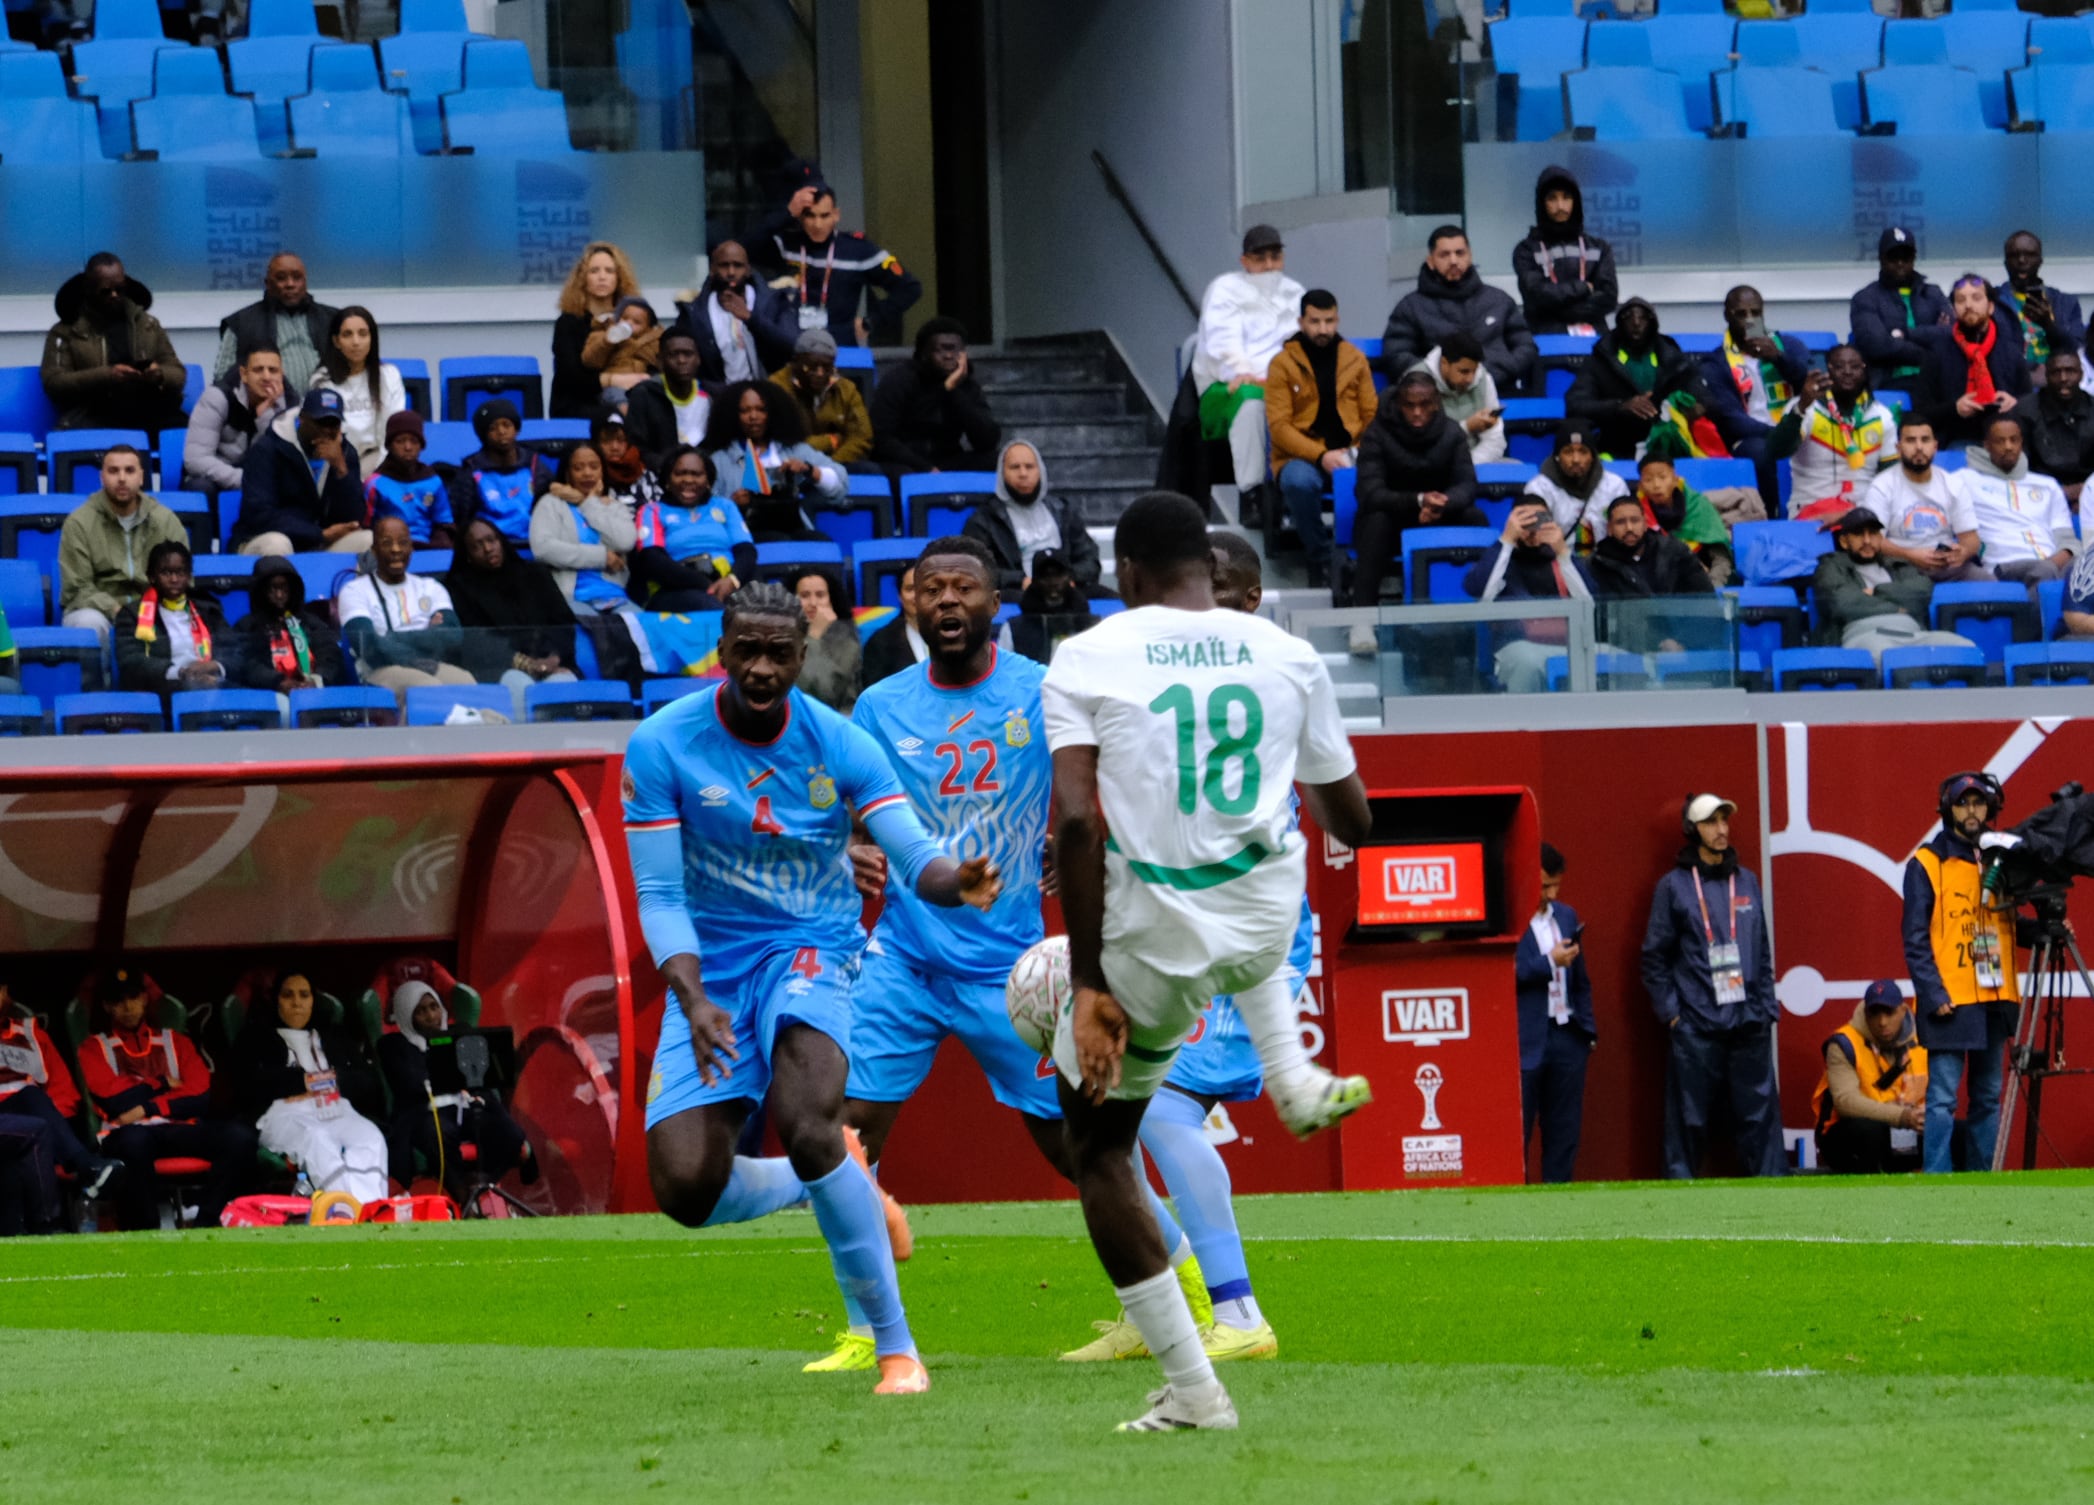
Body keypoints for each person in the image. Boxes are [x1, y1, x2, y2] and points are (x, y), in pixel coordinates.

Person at [1042, 490, 1371, 1430]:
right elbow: (1353, 818)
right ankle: (1292, 1075)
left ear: (1128, 575)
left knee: (1100, 1147)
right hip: (1268, 921)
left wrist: (1092, 984)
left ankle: (1196, 1390)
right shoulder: (1290, 651)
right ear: (1208, 565)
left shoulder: (1088, 652)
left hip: (1155, 941)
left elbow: (1074, 821)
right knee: (1252, 891)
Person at [625, 580, 1003, 1396]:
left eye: (779, 652)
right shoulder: (661, 744)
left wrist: (953, 878)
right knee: (686, 1187)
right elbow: (659, 896)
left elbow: (911, 851)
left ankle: (897, 1348)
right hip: (711, 969)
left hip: (813, 949)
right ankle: (832, 1176)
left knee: (806, 1119)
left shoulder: (840, 743)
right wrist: (692, 1000)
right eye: (746, 650)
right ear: (721, 651)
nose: (761, 668)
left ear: (803, 654)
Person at [1063, 531, 1296, 1363]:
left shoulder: (1262, 675)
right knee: (1092, 1119)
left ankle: (1237, 1312)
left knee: (1158, 1108)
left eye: (1226, 592)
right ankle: (1156, 1293)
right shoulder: (1167, 675)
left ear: (1249, 599)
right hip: (1167, 928)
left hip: (1232, 938)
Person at [1640, 794, 1784, 1181]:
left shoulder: (1748, 880)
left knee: (1760, 1118)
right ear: (1693, 830)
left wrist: (1766, 1009)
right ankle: (1679, 1196)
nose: (1722, 830)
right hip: (1696, 1027)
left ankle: (1776, 1197)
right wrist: (1672, 1015)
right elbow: (1654, 957)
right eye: (1711, 822)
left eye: (1724, 820)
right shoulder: (1673, 887)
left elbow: (1763, 950)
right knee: (1688, 1120)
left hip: (1749, 1022)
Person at [78, 962, 257, 1231]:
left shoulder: (175, 1041)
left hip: (177, 1128)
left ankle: (206, 1224)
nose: (128, 1007)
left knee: (240, 1138)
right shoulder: (94, 1047)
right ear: (107, 1006)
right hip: (127, 1132)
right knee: (134, 1144)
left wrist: (146, 1107)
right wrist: (161, 1083)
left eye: (134, 998)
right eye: (118, 1000)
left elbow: (199, 1097)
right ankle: (147, 1232)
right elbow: (114, 1101)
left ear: (145, 998)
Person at [1904, 772, 2021, 1175]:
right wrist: (1933, 994)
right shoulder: (1927, 862)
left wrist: (2046, 930)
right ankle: (1938, 1179)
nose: (1972, 811)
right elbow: (1914, 938)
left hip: (1995, 995)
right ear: (1947, 809)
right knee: (1942, 1099)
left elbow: (2010, 924)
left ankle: (1983, 1178)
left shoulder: (2000, 857)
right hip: (1951, 1001)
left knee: (1988, 1096)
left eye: (1978, 803)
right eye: (1962, 803)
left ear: (1989, 808)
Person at [229, 966, 389, 1206]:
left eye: (304, 995)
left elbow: (368, 1083)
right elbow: (247, 1086)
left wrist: (332, 1080)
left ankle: (373, 1208)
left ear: (314, 1000)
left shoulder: (333, 1036)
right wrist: (300, 1082)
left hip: (336, 1108)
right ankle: (347, 1211)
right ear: (276, 1000)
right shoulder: (255, 1037)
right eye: (288, 995)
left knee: (370, 1137)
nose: (297, 1003)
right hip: (283, 1115)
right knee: (318, 1140)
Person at [1349, 370, 1484, 639]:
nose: (1418, 412)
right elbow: (1369, 491)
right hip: (1392, 518)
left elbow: (1467, 485)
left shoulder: (1452, 432)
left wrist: (1443, 504)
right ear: (1399, 404)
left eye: (1424, 405)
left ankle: (1486, 616)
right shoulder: (1376, 433)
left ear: (1436, 403)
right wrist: (1418, 501)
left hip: (1438, 514)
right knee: (1376, 520)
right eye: (1410, 406)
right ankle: (1361, 620)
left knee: (1476, 519)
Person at [377, 981, 535, 1203]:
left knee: (508, 1134)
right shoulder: (393, 1045)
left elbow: (482, 1073)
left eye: (434, 1006)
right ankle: (461, 1196)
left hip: (466, 1107)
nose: (431, 1015)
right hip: (426, 1114)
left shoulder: (460, 1033)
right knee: (438, 1134)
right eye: (421, 1011)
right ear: (406, 1015)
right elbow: (409, 1083)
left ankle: (485, 1184)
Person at [1190, 225, 1306, 514]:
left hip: (1279, 381)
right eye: (1260, 258)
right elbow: (1222, 344)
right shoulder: (1224, 289)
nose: (1269, 266)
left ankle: (1297, 491)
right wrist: (1242, 372)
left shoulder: (1296, 293)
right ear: (1245, 261)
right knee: (1252, 402)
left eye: (1275, 257)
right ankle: (1254, 493)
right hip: (1225, 385)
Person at [1266, 289, 1379, 584]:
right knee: (1299, 482)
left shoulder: (1355, 359)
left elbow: (1372, 415)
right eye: (1315, 321)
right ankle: (1322, 558)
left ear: (1338, 319)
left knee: (1379, 478)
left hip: (1351, 449)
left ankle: (1363, 559)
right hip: (1301, 455)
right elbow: (1279, 427)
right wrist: (1320, 455)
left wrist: (1359, 450)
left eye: (1329, 321)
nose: (1323, 329)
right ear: (1301, 321)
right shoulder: (1282, 364)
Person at [531, 442, 655, 684]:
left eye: (593, 467)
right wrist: (601, 557)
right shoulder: (551, 503)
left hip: (615, 596)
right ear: (567, 472)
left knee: (646, 629)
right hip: (570, 597)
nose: (587, 473)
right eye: (579, 468)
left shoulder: (611, 506)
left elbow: (625, 540)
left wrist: (589, 504)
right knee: (593, 634)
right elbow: (543, 548)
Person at [0, 981, 121, 1204]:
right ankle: (86, 1165)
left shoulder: (31, 1033)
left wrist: (54, 1127)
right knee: (31, 1102)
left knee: (34, 1107)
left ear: (6, 993)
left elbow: (63, 1091)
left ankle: (49, 1227)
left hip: (31, 1120)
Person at [1380, 225, 1536, 394]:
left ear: (1470, 256)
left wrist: (1494, 372)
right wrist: (1440, 377)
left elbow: (1525, 346)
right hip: (1438, 402)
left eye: (1460, 253)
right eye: (1444, 254)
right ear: (1430, 261)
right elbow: (1397, 355)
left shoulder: (1499, 300)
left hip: (1500, 391)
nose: (1453, 260)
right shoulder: (1411, 307)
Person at [1466, 498, 1602, 692]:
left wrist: (1563, 552)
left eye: (1539, 518)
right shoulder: (1501, 560)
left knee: (1619, 659)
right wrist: (1507, 539)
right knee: (1528, 662)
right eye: (1524, 518)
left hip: (1570, 644)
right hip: (1517, 644)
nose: (1532, 525)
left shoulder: (1561, 559)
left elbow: (1589, 604)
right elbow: (1482, 592)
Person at [1516, 843, 1593, 1184]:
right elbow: (1503, 972)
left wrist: (1586, 1032)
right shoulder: (1508, 918)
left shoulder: (1566, 915)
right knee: (1517, 1132)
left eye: (1556, 885)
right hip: (1525, 1039)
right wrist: (1548, 962)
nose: (1552, 893)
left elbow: (1582, 979)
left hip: (1567, 1035)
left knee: (1564, 1131)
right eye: (1545, 885)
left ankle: (1559, 1203)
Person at [40, 253, 186, 433]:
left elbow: (178, 373)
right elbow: (55, 382)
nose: (114, 295)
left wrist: (159, 374)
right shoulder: (66, 331)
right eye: (105, 291)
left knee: (190, 436)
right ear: (88, 289)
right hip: (92, 412)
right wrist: (107, 376)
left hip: (147, 408)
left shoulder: (147, 325)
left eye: (120, 289)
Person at [57, 446, 189, 645]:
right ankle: (100, 677)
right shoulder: (79, 522)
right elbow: (77, 589)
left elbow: (182, 577)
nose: (121, 478)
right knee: (88, 622)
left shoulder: (165, 520)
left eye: (129, 470)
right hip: (99, 610)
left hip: (154, 606)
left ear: (142, 477)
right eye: (113, 471)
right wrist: (119, 610)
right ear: (102, 477)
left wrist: (149, 609)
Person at [338, 517, 476, 703]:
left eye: (403, 543)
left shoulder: (431, 587)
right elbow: (370, 647)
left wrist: (389, 638)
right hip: (379, 671)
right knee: (427, 689)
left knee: (468, 685)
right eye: (387, 543)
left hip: (430, 665)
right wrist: (428, 635)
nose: (396, 550)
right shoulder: (354, 591)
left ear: (411, 548)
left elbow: (452, 638)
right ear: (374, 551)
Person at [1701, 286, 1815, 506]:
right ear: (1727, 316)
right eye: (1741, 314)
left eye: (1755, 313)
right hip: (1753, 437)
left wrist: (1779, 358)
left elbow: (1810, 385)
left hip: (1799, 425)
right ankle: (1770, 515)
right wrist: (1778, 435)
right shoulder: (1716, 362)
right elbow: (1731, 418)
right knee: (1761, 451)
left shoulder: (1789, 345)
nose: (1749, 320)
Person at [1812, 506, 1974, 662]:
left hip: (1913, 634)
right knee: (1883, 658)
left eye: (1873, 533)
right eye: (1859, 534)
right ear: (1844, 541)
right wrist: (1898, 607)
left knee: (1965, 650)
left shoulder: (1898, 564)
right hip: (1866, 635)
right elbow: (1841, 603)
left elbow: (1921, 591)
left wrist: (1876, 591)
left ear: (1881, 538)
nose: (1867, 540)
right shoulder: (1830, 566)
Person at [769, 185, 923, 347]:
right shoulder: (785, 244)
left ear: (836, 215)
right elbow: (744, 247)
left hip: (840, 347)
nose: (818, 224)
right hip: (789, 344)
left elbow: (910, 288)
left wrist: (871, 321)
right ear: (800, 217)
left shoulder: (858, 249)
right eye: (810, 216)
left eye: (825, 216)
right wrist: (786, 213)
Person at [445, 516, 579, 697]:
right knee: (520, 686)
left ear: (500, 540)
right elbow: (476, 640)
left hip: (554, 663)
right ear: (467, 555)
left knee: (560, 685)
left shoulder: (536, 575)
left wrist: (553, 658)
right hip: (499, 668)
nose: (488, 548)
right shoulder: (459, 588)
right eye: (477, 546)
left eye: (491, 540)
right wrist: (527, 664)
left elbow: (564, 624)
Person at [232, 388, 371, 558]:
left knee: (368, 540)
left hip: (321, 542)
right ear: (302, 419)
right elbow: (259, 515)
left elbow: (355, 518)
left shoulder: (346, 454)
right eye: (320, 422)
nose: (327, 430)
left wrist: (341, 470)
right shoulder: (267, 450)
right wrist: (317, 534)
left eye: (333, 423)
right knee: (277, 544)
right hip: (261, 540)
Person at [1562, 297, 1701, 461]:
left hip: (1668, 446)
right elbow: (1576, 404)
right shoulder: (1600, 360)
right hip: (1617, 444)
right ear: (1619, 323)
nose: (1636, 323)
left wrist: (1697, 407)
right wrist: (1620, 406)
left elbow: (1704, 397)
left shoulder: (1673, 358)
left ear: (1653, 323)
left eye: (1643, 317)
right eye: (1629, 317)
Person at [1770, 344, 1897, 522]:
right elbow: (1776, 450)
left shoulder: (1880, 416)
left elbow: (1890, 477)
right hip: (1812, 510)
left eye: (1855, 367)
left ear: (1865, 371)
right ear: (1826, 371)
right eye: (1838, 366)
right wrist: (1801, 409)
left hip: (1865, 516)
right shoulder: (1805, 408)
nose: (1847, 372)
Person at [1811, 980, 1926, 1175]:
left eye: (1889, 1013)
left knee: (1955, 1132)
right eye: (1874, 1014)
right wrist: (1901, 1116)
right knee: (1868, 1130)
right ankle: (1867, 1193)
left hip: (1906, 1128)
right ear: (1865, 1014)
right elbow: (1846, 1102)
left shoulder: (1924, 1041)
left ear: (1903, 1011)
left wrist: (1924, 1115)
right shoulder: (1843, 1044)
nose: (1882, 1022)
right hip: (1849, 1135)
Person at [964, 438, 1099, 602]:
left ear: (1040, 470)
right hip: (1017, 594)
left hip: (1066, 591)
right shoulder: (983, 519)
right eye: (1015, 467)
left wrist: (1068, 578)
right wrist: (1020, 580)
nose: (1023, 473)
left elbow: (1090, 559)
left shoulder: (1063, 511)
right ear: (1002, 473)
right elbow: (976, 568)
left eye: (1029, 467)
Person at [707, 379, 843, 539]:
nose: (753, 416)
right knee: (777, 540)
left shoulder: (794, 450)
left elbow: (840, 485)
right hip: (743, 535)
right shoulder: (719, 460)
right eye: (745, 411)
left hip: (792, 527)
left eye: (761, 409)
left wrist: (810, 470)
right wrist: (732, 505)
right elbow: (706, 512)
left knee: (819, 541)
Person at [868, 317, 1003, 474]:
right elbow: (881, 438)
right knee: (895, 472)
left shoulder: (967, 386)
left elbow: (987, 441)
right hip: (906, 461)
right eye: (942, 350)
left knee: (999, 462)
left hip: (947, 459)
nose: (948, 356)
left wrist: (952, 391)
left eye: (955, 350)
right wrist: (925, 468)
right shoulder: (899, 380)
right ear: (923, 353)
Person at [1861, 413, 1984, 582]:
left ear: (1935, 446)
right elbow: (1874, 540)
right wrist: (1909, 555)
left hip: (1947, 567)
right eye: (1911, 440)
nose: (1919, 447)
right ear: (1898, 448)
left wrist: (1962, 552)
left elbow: (1971, 538)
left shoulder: (1953, 484)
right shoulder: (1882, 486)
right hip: (1900, 567)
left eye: (1925, 440)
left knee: (1990, 583)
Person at [628, 447, 752, 612]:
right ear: (667, 480)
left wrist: (732, 580)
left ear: (708, 480)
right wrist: (706, 585)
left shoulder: (725, 506)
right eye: (680, 473)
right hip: (674, 590)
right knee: (717, 610)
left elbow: (746, 551)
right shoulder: (652, 510)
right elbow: (652, 559)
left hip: (728, 584)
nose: (688, 479)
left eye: (696, 474)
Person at [1961, 411, 2078, 585]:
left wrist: (2052, 564)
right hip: (2003, 566)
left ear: (2021, 443)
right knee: (2043, 572)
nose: (2008, 446)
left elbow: (2066, 541)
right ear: (1986, 446)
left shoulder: (2047, 485)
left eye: (2014, 440)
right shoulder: (1965, 480)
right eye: (2000, 441)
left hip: (2051, 565)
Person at [1588, 492, 1714, 652]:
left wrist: (1683, 642)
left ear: (1645, 523)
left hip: (1686, 649)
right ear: (1610, 529)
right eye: (1620, 522)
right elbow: (1600, 621)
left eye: (1635, 520)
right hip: (1626, 654)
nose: (1629, 528)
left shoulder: (1675, 553)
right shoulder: (1596, 565)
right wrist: (1654, 644)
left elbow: (1705, 602)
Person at [1919, 275, 2031, 450]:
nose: (1968, 305)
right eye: (1961, 300)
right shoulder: (1937, 353)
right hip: (1958, 439)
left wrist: (2015, 404)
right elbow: (1922, 411)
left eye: (1976, 298)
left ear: (1991, 306)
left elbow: (2030, 402)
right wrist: (1955, 408)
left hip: (2006, 442)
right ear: (1954, 310)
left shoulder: (2010, 351)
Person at [115, 541, 229, 700]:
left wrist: (214, 665)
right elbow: (131, 661)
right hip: (162, 688)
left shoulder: (209, 610)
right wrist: (182, 673)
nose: (174, 579)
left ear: (189, 576)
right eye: (166, 573)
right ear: (152, 576)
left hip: (211, 682)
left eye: (180, 572)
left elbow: (234, 651)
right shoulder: (132, 614)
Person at [1512, 165, 1618, 336]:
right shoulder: (1526, 250)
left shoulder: (1599, 248)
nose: (1560, 206)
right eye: (1552, 198)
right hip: (1545, 341)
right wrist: (1583, 288)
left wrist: (1557, 307)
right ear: (1541, 203)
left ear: (1576, 202)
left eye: (1566, 197)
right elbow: (1535, 297)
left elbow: (1608, 298)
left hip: (1595, 343)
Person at [212, 251, 337, 394]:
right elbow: (222, 379)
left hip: (327, 407)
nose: (290, 284)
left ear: (305, 281)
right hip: (264, 410)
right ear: (268, 284)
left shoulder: (332, 319)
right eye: (281, 278)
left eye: (297, 278)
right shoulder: (241, 323)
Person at [678, 239, 797, 384]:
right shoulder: (695, 312)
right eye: (724, 265)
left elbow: (791, 346)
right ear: (712, 270)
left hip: (766, 394)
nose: (731, 272)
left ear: (747, 270)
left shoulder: (775, 301)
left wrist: (750, 318)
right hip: (719, 397)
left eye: (738, 265)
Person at [184, 342, 294, 496]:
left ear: (281, 374)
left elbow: (282, 460)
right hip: (218, 476)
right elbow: (196, 459)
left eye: (273, 370)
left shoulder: (289, 404)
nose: (266, 377)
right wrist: (245, 479)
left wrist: (266, 417)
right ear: (244, 374)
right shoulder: (218, 397)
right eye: (258, 370)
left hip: (261, 479)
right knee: (200, 487)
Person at [1850, 226, 1950, 395]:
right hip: (1889, 383)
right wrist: (1930, 353)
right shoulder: (1865, 298)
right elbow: (1878, 346)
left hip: (1937, 381)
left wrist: (1906, 334)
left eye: (1906, 256)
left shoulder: (1933, 294)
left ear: (1914, 258)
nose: (1900, 263)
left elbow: (1951, 334)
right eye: (1893, 257)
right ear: (1881, 258)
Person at [311, 305, 407, 479]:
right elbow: (327, 437)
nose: (356, 342)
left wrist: (381, 472)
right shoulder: (322, 381)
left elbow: (395, 427)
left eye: (363, 334)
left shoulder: (389, 375)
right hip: (339, 466)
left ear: (372, 338)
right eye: (347, 334)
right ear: (336, 341)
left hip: (383, 464)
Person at [551, 241, 642, 419]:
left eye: (609, 271)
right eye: (594, 271)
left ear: (619, 277)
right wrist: (613, 380)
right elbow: (570, 377)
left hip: (625, 398)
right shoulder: (568, 322)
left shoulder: (632, 318)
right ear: (583, 278)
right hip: (578, 405)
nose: (602, 277)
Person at [231, 554, 345, 696]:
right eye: (273, 589)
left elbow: (330, 654)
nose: (279, 595)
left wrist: (317, 680)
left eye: (284, 588)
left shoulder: (310, 622)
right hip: (269, 695)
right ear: (261, 591)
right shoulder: (247, 626)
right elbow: (246, 664)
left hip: (315, 691)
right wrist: (279, 682)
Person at [449, 399, 553, 545]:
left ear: (516, 429)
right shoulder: (471, 471)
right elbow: (462, 518)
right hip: (490, 549)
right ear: (483, 435)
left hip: (534, 544)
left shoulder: (534, 465)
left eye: (507, 425)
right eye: (493, 428)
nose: (501, 432)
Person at [773, 328, 873, 470]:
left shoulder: (846, 390)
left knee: (871, 471)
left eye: (827, 367)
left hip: (838, 462)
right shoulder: (776, 389)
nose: (820, 373)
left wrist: (831, 466)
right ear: (796, 363)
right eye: (812, 367)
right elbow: (782, 441)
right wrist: (831, 440)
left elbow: (861, 438)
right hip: (792, 465)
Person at [622, 328, 717, 473]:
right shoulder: (644, 394)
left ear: (698, 359)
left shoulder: (711, 395)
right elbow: (637, 446)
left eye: (688, 354)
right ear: (660, 361)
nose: (681, 360)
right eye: (673, 355)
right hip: (660, 473)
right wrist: (668, 467)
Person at [1522, 418, 1629, 544]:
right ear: (1557, 456)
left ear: (1593, 456)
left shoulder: (1614, 485)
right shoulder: (1539, 488)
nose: (1576, 459)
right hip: (1556, 558)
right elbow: (1535, 538)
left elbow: (1625, 529)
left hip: (1605, 558)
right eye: (1568, 452)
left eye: (1583, 452)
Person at [1409, 332, 1505, 465]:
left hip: (1477, 463)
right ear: (1444, 363)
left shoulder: (1484, 379)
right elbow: (1422, 448)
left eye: (1474, 371)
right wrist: (1467, 427)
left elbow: (1495, 441)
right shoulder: (1416, 384)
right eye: (1464, 372)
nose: (1470, 379)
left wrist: (1467, 466)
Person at [364, 410, 453, 546]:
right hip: (390, 550)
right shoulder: (375, 483)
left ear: (421, 445)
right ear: (389, 446)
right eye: (400, 441)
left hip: (427, 546)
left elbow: (444, 522)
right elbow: (366, 526)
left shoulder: (433, 480)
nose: (408, 447)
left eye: (414, 441)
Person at [2000, 230, 2084, 374]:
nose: (2022, 260)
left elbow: (2076, 351)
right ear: (2006, 262)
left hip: (2057, 384)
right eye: (2014, 255)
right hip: (2011, 384)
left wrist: (2048, 325)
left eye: (2029, 255)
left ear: (2040, 260)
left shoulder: (2066, 303)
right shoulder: (1992, 302)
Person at [1629, 452, 1731, 567]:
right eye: (1648, 480)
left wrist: (1710, 583)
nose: (1656, 485)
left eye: (1662, 477)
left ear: (1675, 480)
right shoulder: (1635, 513)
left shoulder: (1698, 505)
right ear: (1641, 486)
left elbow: (1721, 558)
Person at [2020, 348, 2094, 504]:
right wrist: (2060, 493)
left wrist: (2086, 492)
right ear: (2046, 375)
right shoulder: (2025, 411)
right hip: (2039, 495)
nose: (2063, 378)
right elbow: (2020, 467)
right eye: (2056, 372)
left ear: (2081, 374)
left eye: (2070, 371)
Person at [788, 566, 860, 713]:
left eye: (820, 595)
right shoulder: (779, 641)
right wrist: (814, 635)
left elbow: (827, 694)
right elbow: (805, 691)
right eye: (804, 595)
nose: (813, 603)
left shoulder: (848, 643)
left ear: (832, 601)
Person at [581, 296, 664, 404]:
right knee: (619, 398)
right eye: (624, 318)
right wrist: (607, 341)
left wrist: (634, 344)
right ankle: (624, 417)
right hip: (614, 383)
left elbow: (658, 361)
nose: (629, 323)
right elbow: (590, 360)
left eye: (637, 322)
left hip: (642, 381)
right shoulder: (604, 335)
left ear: (647, 328)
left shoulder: (653, 341)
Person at [861, 564, 926, 689]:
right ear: (899, 596)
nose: (917, 595)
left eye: (924, 588)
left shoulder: (956, 635)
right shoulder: (880, 642)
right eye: (910, 589)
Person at [594, 410, 662, 516]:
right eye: (607, 441)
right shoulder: (591, 476)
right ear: (597, 444)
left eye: (621, 440)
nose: (615, 447)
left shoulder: (646, 474)